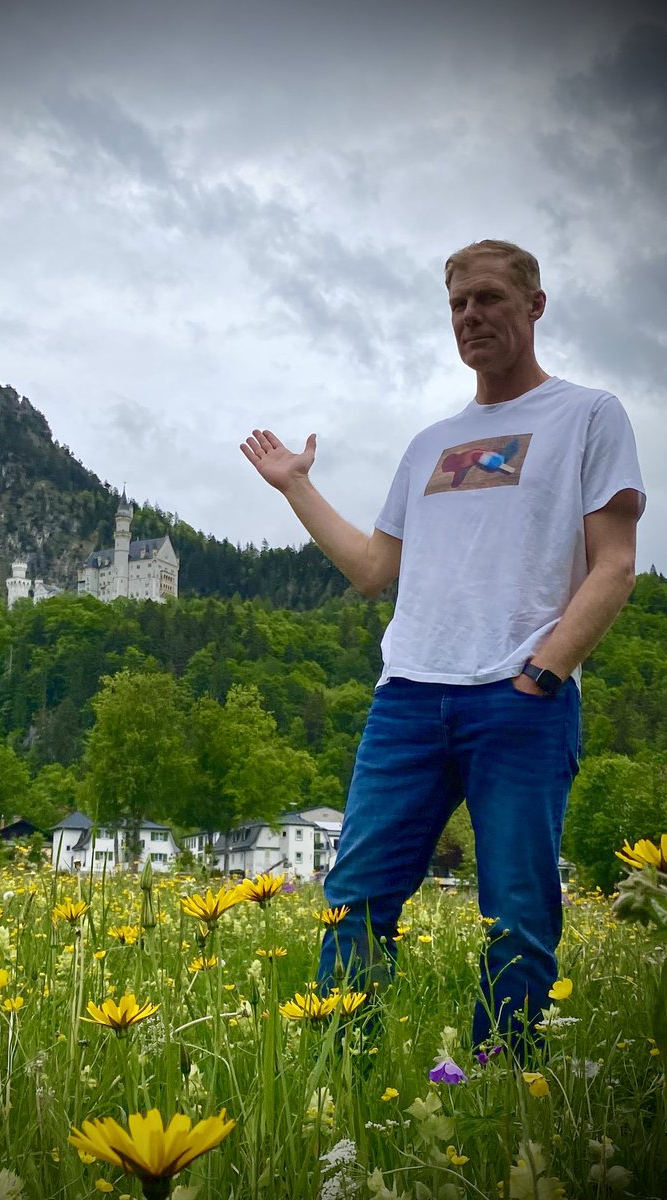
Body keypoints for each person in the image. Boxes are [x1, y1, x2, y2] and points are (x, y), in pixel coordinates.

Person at [240, 239, 646, 1054]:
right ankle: (345, 1089)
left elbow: (615, 566)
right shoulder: (429, 444)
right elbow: (370, 570)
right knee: (353, 902)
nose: (471, 317)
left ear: (534, 305)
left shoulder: (588, 414)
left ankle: (505, 1083)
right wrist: (296, 486)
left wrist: (544, 670)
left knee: (519, 917)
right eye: (458, 304)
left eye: (490, 298)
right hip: (408, 702)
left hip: (518, 701)